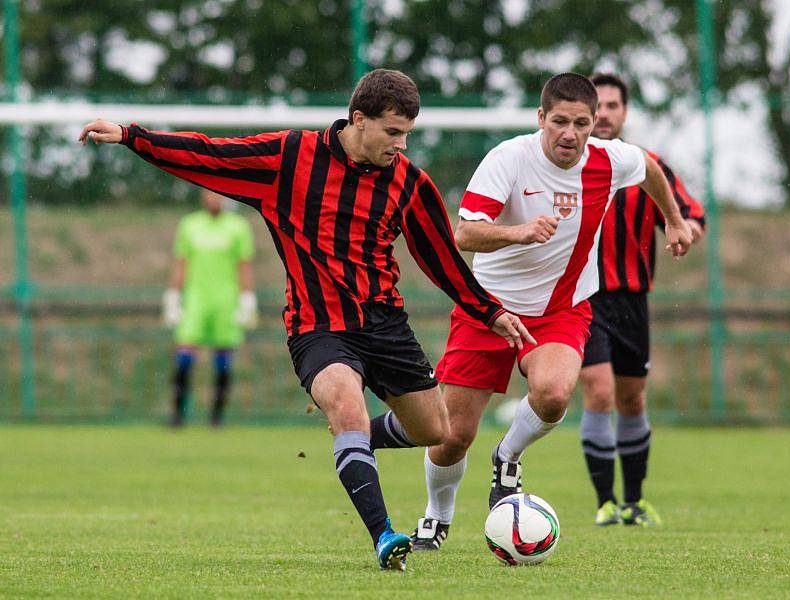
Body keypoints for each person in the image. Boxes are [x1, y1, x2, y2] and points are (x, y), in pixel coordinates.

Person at [78, 68, 532, 571]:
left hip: (384, 324)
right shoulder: (289, 158)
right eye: (392, 132)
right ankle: (384, 535)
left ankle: (351, 441)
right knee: (345, 402)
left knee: (436, 431)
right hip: (316, 325)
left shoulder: (409, 182)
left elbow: (441, 256)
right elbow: (210, 154)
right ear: (359, 119)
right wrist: (131, 137)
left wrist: (488, 310)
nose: (401, 145)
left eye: (407, 134)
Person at [410, 72, 693, 551]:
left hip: (562, 309)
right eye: (559, 121)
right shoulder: (508, 159)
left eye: (581, 123)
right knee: (452, 435)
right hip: (489, 309)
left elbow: (647, 167)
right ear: (540, 118)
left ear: (593, 124)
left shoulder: (609, 159)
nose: (570, 133)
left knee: (555, 393)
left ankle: (508, 456)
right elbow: (464, 233)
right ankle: (437, 517)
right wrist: (518, 232)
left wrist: (675, 219)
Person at [579, 73, 706, 527]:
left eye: (614, 105)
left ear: (624, 112)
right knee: (599, 391)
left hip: (632, 301)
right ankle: (604, 502)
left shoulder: (645, 165)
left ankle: (633, 501)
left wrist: (683, 231)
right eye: (599, 106)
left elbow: (691, 214)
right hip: (582, 299)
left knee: (632, 399)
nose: (605, 114)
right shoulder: (563, 163)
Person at [162, 189, 257, 428]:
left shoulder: (238, 227)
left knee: (223, 361)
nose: (213, 199)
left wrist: (247, 298)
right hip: (196, 300)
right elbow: (181, 262)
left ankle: (216, 417)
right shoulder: (189, 225)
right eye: (209, 194)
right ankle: (178, 414)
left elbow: (243, 265)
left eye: (217, 195)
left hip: (226, 301)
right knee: (184, 357)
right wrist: (173, 296)